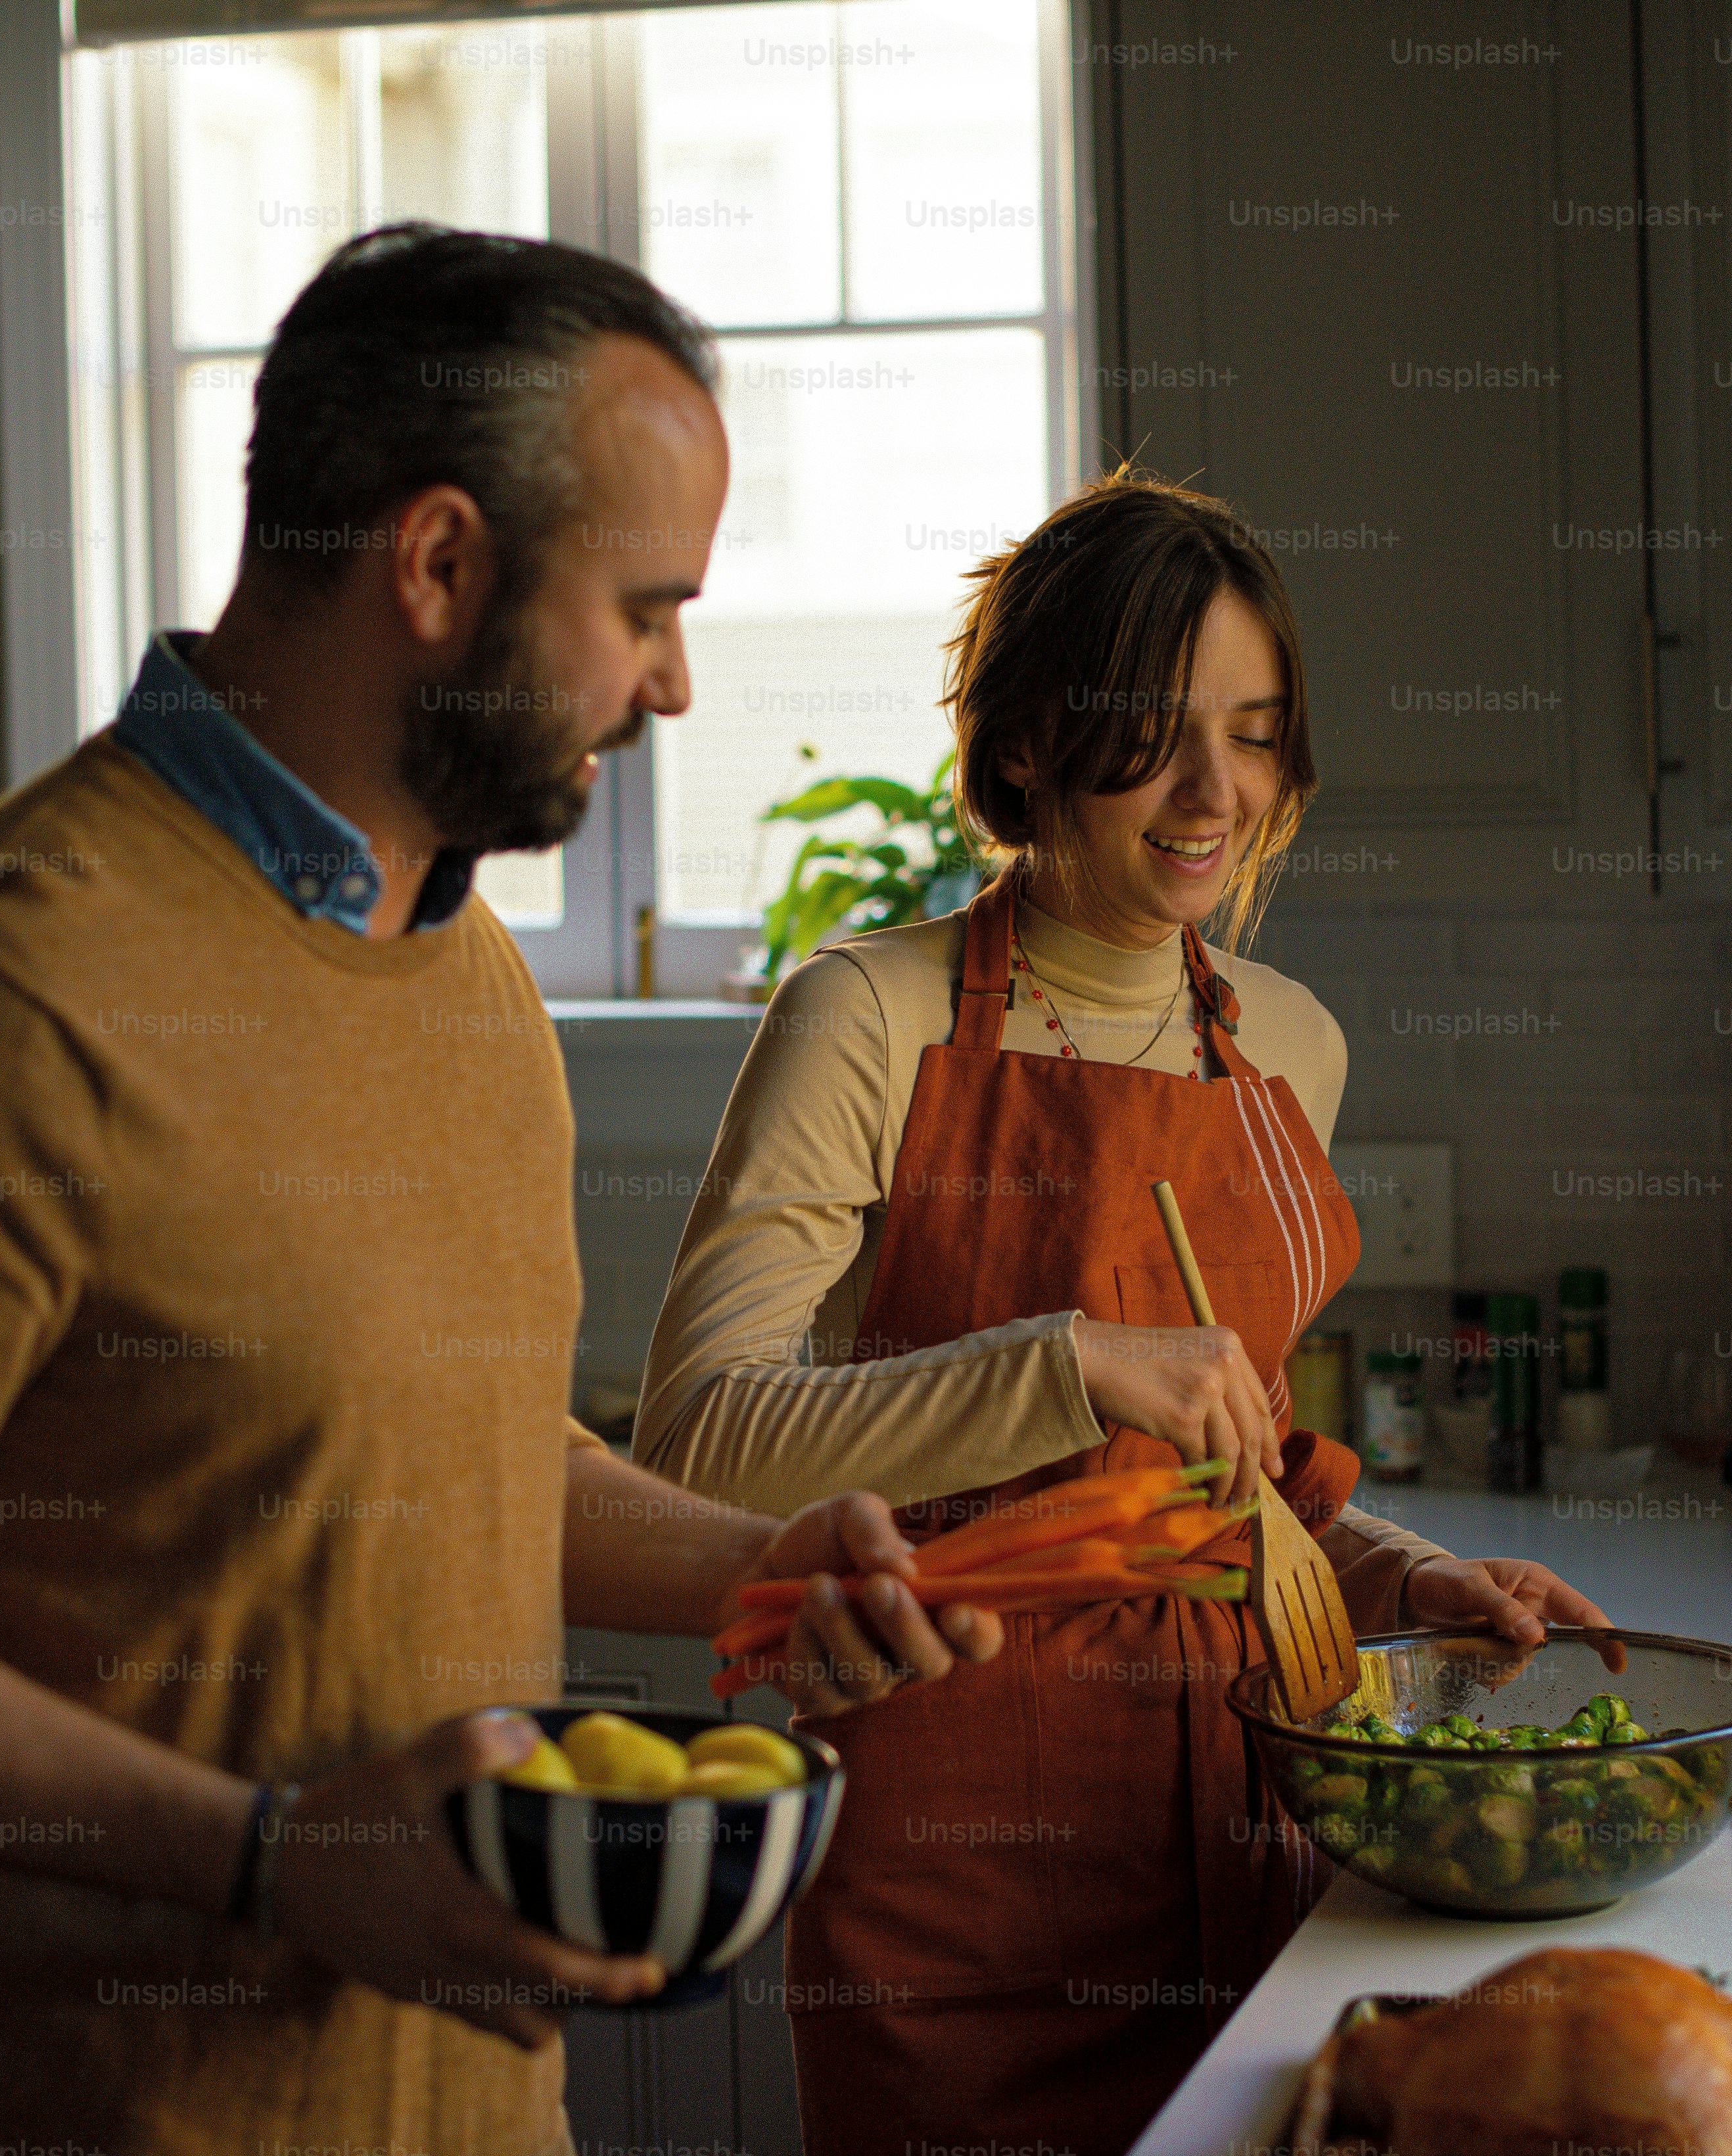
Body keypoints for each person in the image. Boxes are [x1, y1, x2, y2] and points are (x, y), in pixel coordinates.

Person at [0, 227, 1000, 2156]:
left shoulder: (467, 968)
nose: (671, 681)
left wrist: (753, 1573)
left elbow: (456, 1450)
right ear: (435, 566)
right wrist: (270, 1861)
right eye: (647, 606)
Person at [634, 472, 1619, 2153]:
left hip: (1257, 1821)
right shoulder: (864, 1015)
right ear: (1021, 741)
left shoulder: (1287, 1044)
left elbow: (1239, 1473)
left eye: (1251, 731)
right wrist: (1066, 1361)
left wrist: (1397, 1570)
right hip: (958, 1863)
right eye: (1153, 729)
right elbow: (700, 1431)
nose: (1209, 790)